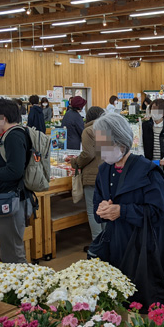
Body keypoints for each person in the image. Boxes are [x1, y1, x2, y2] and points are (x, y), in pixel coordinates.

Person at [89, 112, 164, 309]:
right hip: (113, 246)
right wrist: (102, 209)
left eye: (105, 145)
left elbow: (158, 212)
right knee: (113, 302)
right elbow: (96, 208)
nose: (101, 151)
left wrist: (122, 211)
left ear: (121, 143)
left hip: (141, 248)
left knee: (143, 303)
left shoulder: (147, 171)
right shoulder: (104, 171)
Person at [0, 99, 34, 263]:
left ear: (2, 117)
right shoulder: (15, 134)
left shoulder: (13, 136)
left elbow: (14, 171)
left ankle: (20, 284)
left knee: (12, 250)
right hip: (13, 197)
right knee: (10, 245)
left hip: (13, 198)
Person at [70, 106, 105, 251]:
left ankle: (96, 243)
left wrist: (75, 162)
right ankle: (106, 240)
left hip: (92, 175)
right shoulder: (105, 129)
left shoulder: (88, 130)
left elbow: (88, 154)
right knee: (105, 208)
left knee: (93, 210)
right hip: (105, 173)